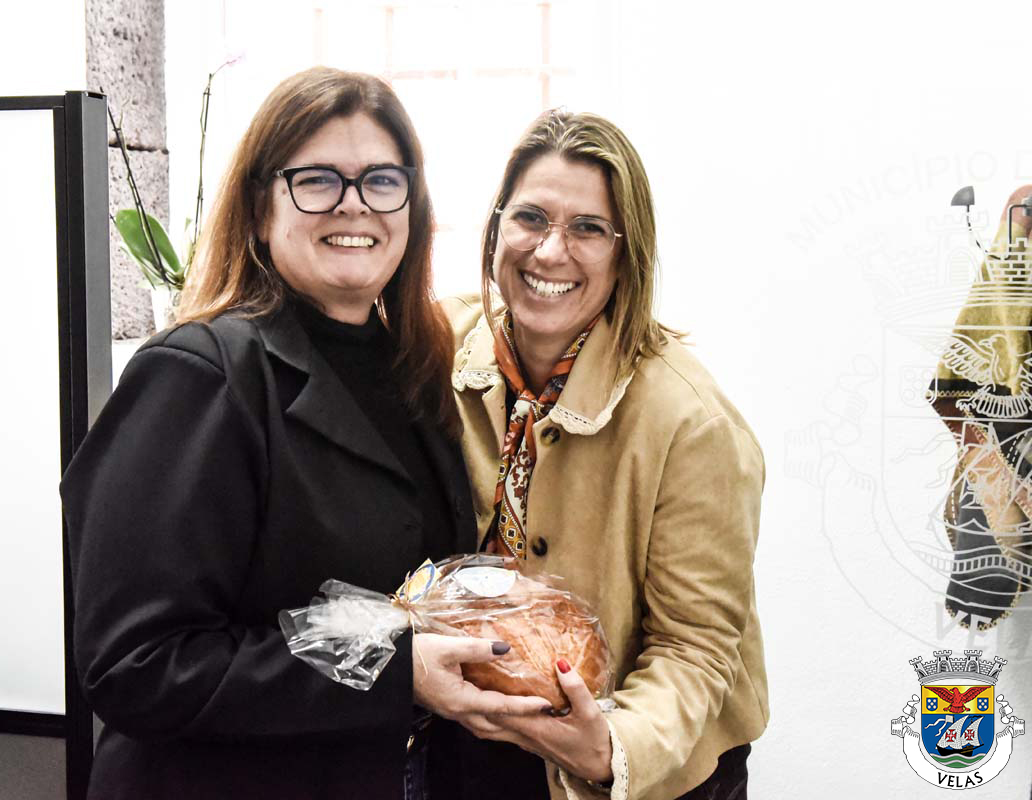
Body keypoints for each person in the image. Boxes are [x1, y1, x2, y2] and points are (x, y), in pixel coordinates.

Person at [61, 67, 547, 800]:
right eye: (318, 180)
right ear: (261, 208)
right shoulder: (199, 376)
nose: (355, 204)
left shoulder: (415, 370)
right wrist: (396, 672)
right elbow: (135, 666)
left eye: (382, 181)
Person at [443, 109, 769, 800]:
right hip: (483, 746)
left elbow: (696, 649)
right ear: (496, 227)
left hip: (643, 772)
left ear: (628, 255)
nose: (549, 252)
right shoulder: (438, 344)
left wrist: (613, 750)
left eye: (588, 228)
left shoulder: (693, 423)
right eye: (530, 217)